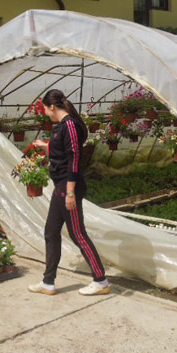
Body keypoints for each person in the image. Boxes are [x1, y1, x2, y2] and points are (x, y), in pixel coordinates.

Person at [28, 89, 110, 296]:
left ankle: (101, 280)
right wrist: (46, 146)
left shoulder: (71, 124)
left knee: (78, 233)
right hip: (62, 187)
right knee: (51, 231)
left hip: (68, 187)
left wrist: (71, 193)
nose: (45, 113)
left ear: (53, 107)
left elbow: (74, 157)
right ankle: (48, 283)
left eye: (45, 109)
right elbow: (63, 150)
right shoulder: (63, 126)